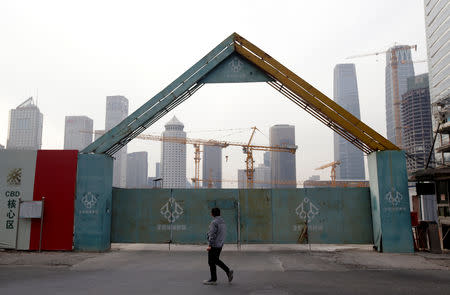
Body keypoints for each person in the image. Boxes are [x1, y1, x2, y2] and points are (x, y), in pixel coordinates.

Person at [203, 207, 234, 285]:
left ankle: (214, 278)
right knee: (215, 260)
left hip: (214, 245)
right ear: (219, 213)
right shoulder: (223, 222)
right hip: (220, 244)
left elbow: (212, 234)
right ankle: (224, 273)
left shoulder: (214, 222)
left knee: (211, 261)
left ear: (212, 214)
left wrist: (210, 245)